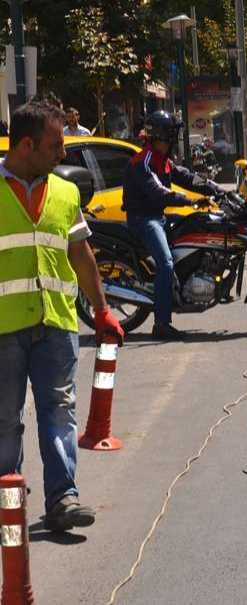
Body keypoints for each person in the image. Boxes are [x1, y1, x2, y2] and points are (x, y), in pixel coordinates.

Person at [0, 98, 124, 532]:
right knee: (5, 421)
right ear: (27, 145)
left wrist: (103, 310)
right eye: (55, 145)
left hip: (55, 324)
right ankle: (9, 501)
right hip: (4, 329)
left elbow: (80, 253)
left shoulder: (66, 192)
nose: (63, 153)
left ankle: (63, 499)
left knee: (59, 411)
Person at [121, 110, 222, 340]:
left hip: (159, 216)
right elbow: (159, 192)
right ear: (159, 136)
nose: (172, 140)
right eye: (169, 135)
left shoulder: (162, 160)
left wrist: (214, 189)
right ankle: (162, 323)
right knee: (165, 263)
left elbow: (185, 176)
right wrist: (190, 200)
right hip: (144, 220)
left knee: (198, 224)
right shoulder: (143, 161)